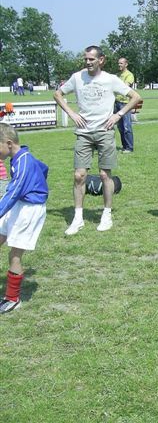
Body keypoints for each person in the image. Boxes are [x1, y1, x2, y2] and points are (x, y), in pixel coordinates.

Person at [54, 45, 142, 235]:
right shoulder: (77, 78)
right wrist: (71, 113)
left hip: (105, 132)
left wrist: (118, 115)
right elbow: (58, 94)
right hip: (83, 133)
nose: (88, 62)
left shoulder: (111, 80)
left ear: (101, 60)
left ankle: (106, 214)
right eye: (86, 59)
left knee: (104, 175)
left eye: (91, 59)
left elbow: (135, 97)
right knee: (79, 176)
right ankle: (78, 218)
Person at [0, 123, 48, 314]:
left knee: (14, 254)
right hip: (20, 204)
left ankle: (12, 299)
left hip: (29, 210)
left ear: (9, 143)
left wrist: (37, 193)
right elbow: (44, 168)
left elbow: (12, 193)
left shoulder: (23, 163)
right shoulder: (21, 157)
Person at [114, 57, 135, 153]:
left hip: (125, 103)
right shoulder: (117, 75)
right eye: (118, 63)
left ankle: (129, 148)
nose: (119, 65)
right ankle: (124, 146)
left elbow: (124, 87)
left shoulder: (129, 75)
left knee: (127, 126)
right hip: (116, 102)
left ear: (126, 64)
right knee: (120, 127)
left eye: (121, 63)